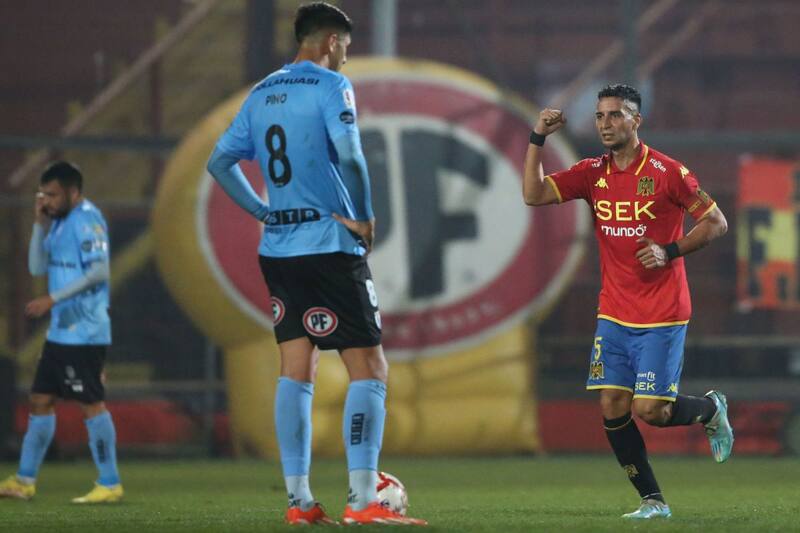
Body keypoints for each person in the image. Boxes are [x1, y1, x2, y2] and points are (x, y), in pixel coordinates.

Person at [206, 2, 426, 526]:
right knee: (369, 367)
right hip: (328, 241)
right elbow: (350, 155)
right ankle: (362, 499)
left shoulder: (261, 92)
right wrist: (365, 217)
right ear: (330, 41)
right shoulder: (331, 86)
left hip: (278, 247)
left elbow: (220, 162)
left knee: (296, 370)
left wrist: (262, 210)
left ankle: (299, 501)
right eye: (346, 44)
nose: (347, 54)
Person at [523, 84, 733, 519]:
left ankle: (711, 408)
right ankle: (653, 501)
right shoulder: (591, 173)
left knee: (651, 410)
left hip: (662, 312)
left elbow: (716, 222)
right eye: (600, 116)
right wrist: (537, 138)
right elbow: (534, 194)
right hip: (614, 312)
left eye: (616, 115)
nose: (606, 124)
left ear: (637, 120)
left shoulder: (668, 172)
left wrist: (669, 250)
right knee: (612, 406)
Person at [0, 161, 121, 503]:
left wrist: (52, 299)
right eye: (43, 195)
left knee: (91, 404)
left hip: (85, 331)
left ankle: (110, 482)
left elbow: (99, 272)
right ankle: (24, 480)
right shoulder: (57, 222)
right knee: (40, 400)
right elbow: (37, 266)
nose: (46, 201)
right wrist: (39, 225)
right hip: (60, 333)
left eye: (52, 195)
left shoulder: (87, 220)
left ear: (73, 192)